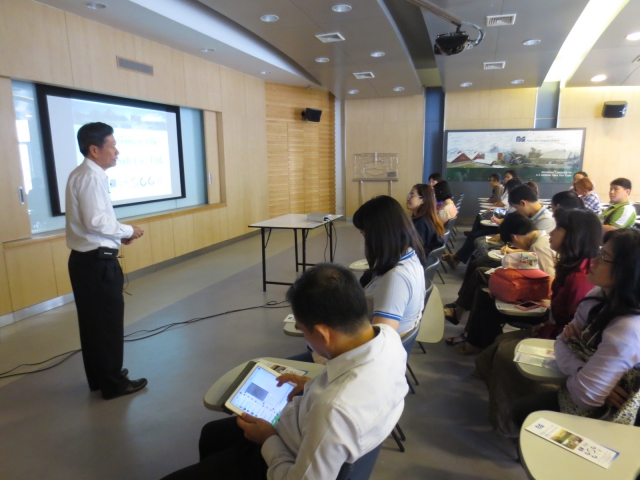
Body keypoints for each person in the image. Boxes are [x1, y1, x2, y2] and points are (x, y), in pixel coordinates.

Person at [160, 264, 408, 480]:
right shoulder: (387, 338)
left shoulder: (334, 408)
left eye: (302, 330)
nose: (304, 337)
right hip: (303, 429)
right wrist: (310, 384)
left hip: (287, 454)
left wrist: (268, 440)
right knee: (212, 434)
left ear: (323, 334)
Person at [474, 209, 601, 436]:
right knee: (498, 344)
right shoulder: (571, 267)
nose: (551, 233)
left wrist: (544, 329)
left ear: (575, 235)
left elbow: (573, 330)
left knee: (504, 353)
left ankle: (508, 423)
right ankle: (506, 407)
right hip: (554, 331)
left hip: (564, 343)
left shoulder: (580, 278)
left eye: (558, 228)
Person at [511, 229, 640, 430]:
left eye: (604, 257)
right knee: (521, 408)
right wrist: (581, 368)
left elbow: (585, 398)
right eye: (599, 252)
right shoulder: (599, 295)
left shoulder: (628, 328)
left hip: (607, 420)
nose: (593, 261)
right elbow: (562, 341)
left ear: (628, 271)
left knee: (525, 411)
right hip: (577, 394)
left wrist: (577, 356)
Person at [66, 122, 147, 400]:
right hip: (97, 264)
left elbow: (92, 223)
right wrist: (127, 230)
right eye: (112, 145)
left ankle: (100, 378)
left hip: (85, 260)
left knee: (93, 326)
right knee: (108, 325)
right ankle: (113, 384)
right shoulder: (91, 176)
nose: (117, 151)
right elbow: (96, 221)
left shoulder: (81, 173)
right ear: (94, 149)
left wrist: (116, 237)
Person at [444, 213, 556, 327]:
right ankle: (459, 312)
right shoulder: (540, 239)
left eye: (512, 244)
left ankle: (459, 312)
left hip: (544, 295)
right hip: (538, 284)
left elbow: (550, 280)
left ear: (515, 237)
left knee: (483, 280)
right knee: (482, 277)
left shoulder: (538, 247)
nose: (516, 247)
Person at [353, 196, 426, 335]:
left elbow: (382, 339)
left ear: (379, 235)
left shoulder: (395, 279)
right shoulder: (410, 254)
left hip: (365, 345)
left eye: (365, 235)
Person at [406, 184, 445, 256]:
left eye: (412, 195)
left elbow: (412, 250)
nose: (408, 198)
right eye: (409, 195)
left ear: (423, 200)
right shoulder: (427, 218)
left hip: (419, 260)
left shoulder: (421, 223)